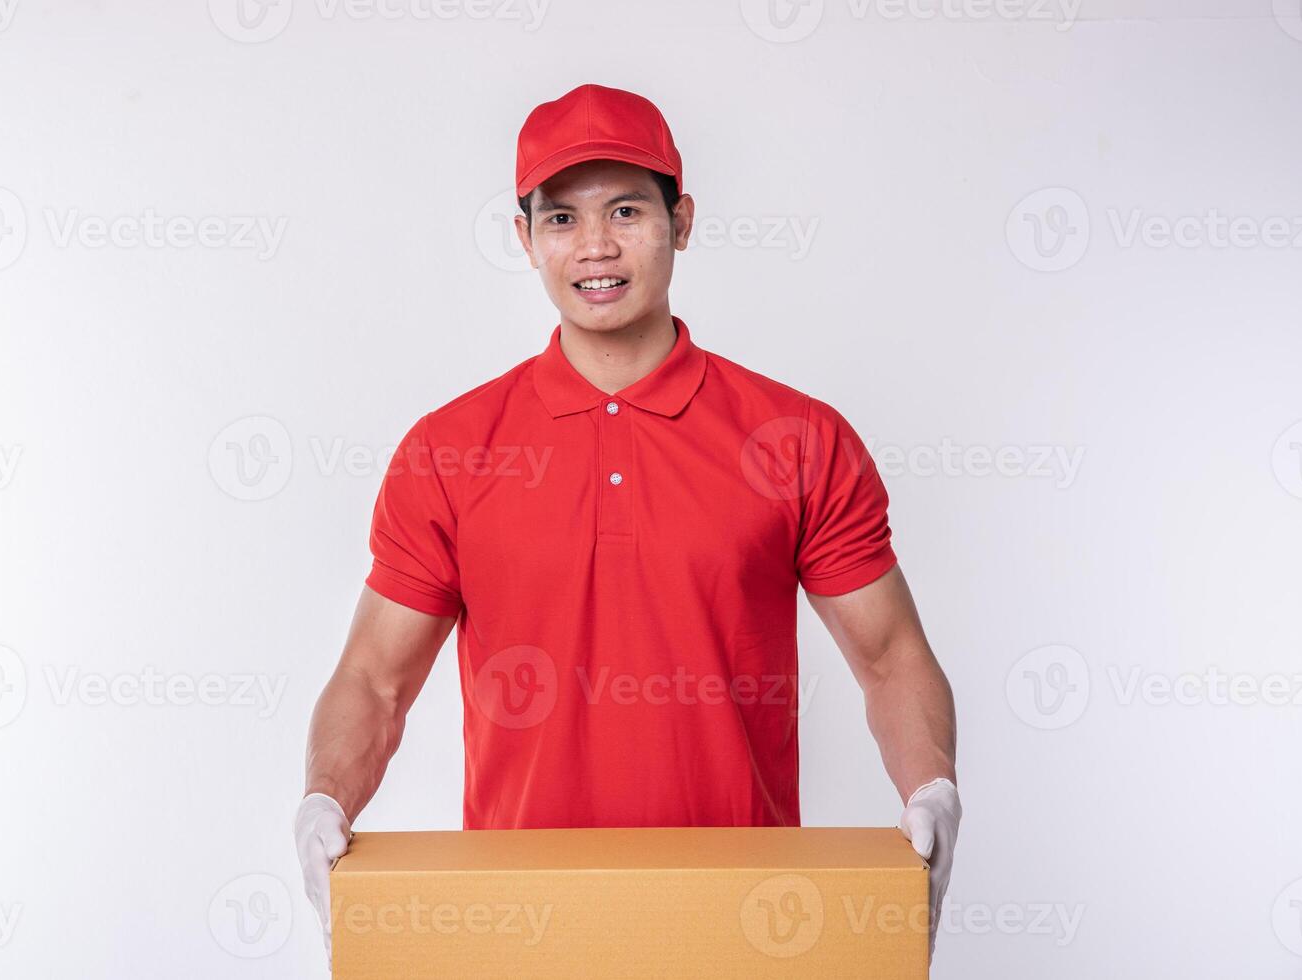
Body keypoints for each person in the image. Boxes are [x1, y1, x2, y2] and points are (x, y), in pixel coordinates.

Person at [295, 82, 961, 961]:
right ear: (524, 238)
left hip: (750, 927)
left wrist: (930, 790)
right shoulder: (448, 450)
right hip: (515, 931)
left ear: (679, 220)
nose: (596, 247)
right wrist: (325, 801)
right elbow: (375, 678)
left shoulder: (796, 438)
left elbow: (889, 658)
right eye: (562, 219)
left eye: (625, 210)